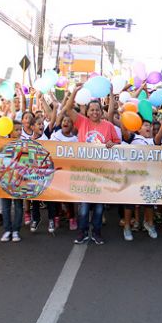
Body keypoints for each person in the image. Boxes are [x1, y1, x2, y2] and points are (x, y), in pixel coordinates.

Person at [64, 86, 120, 245]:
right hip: (84, 171)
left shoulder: (108, 126)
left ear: (101, 112)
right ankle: (82, 232)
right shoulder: (81, 122)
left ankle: (96, 232)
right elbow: (67, 108)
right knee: (83, 206)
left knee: (99, 207)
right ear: (87, 112)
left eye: (98, 110)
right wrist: (74, 92)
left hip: (102, 172)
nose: (95, 112)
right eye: (92, 110)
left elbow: (117, 143)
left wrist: (111, 144)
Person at [0, 120, 24, 242]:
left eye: (21, 129)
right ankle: (7, 230)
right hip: (5, 179)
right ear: (10, 131)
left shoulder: (25, 144)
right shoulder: (2, 142)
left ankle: (16, 231)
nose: (19, 132)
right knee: (6, 206)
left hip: (19, 180)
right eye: (16, 129)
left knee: (19, 206)